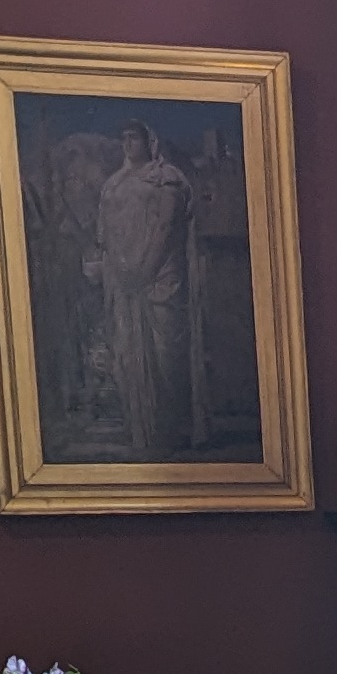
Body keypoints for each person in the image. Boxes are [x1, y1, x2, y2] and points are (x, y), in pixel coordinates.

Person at [89, 122, 195, 457]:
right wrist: (118, 269)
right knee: (126, 353)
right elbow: (105, 236)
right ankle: (139, 429)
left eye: (134, 138)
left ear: (150, 141)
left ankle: (169, 431)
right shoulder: (114, 185)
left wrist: (144, 269)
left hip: (160, 280)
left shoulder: (166, 179)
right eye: (124, 138)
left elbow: (165, 227)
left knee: (165, 355)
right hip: (122, 283)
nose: (128, 144)